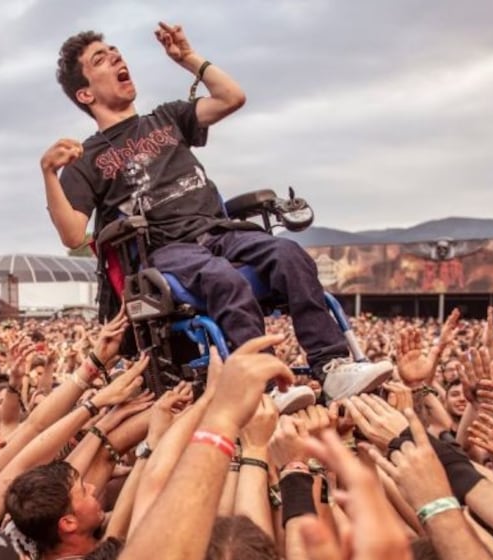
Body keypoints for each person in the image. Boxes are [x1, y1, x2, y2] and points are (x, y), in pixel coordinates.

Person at [41, 24, 392, 403]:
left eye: (114, 51)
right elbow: (73, 235)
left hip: (219, 229)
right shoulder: (87, 158)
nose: (115, 57)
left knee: (289, 254)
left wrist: (187, 58)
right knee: (223, 279)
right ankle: (265, 384)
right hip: (167, 250)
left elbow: (232, 97)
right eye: (100, 59)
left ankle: (332, 365)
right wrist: (49, 173)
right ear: (85, 92)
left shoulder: (166, 117)